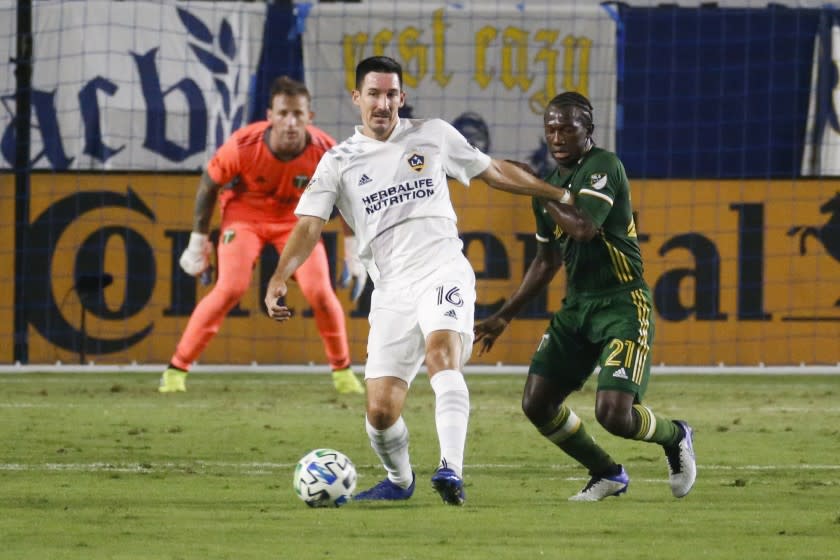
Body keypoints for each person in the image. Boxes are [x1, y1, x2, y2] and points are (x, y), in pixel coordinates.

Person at [263, 56, 575, 506]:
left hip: (442, 267)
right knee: (380, 411)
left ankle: (451, 469)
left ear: (402, 98)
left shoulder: (432, 134)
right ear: (357, 99)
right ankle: (399, 480)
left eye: (391, 94)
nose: (383, 103)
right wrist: (279, 275)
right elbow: (310, 224)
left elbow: (494, 171)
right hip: (391, 289)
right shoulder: (338, 161)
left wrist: (558, 193)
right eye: (373, 94)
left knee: (441, 353)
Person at [473, 92, 696, 501]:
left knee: (613, 414)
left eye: (567, 128)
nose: (557, 137)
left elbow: (583, 228)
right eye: (551, 129)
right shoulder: (551, 187)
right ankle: (607, 472)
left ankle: (675, 434)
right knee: (537, 404)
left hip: (624, 304)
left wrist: (537, 189)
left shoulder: (603, 167)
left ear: (588, 131)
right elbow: (546, 261)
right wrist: (504, 316)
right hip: (578, 309)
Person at [159, 76, 365, 395]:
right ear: (269, 116)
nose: (291, 122)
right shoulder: (243, 145)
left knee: (320, 291)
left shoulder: (327, 151)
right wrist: (198, 242)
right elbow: (208, 185)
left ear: (310, 117)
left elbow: (346, 197)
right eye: (283, 113)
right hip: (245, 216)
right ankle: (176, 370)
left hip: (297, 221)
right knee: (231, 287)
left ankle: (342, 372)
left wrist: (354, 251)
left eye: (298, 114)